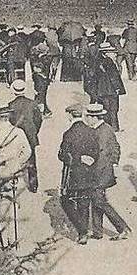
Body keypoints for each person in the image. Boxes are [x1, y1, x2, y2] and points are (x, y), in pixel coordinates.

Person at [84, 102, 130, 240]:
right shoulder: (106, 129)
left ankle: (123, 228)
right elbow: (116, 147)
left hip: (99, 173)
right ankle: (97, 231)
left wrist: (93, 169)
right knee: (96, 199)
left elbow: (102, 155)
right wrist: (114, 162)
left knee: (99, 201)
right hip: (103, 171)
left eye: (88, 117)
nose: (87, 119)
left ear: (94, 117)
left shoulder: (102, 132)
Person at [57, 104, 97, 244]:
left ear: (70, 115)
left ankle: (82, 230)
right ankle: (84, 232)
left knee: (65, 201)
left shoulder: (68, 133)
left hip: (73, 173)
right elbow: (96, 153)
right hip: (88, 172)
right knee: (84, 201)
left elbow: (63, 155)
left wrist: (75, 158)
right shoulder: (91, 131)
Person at [7, 79, 42, 193]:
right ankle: (33, 185)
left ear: (14, 91)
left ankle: (15, 184)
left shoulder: (11, 105)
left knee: (16, 158)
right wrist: (34, 131)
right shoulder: (32, 104)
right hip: (30, 135)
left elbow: (11, 122)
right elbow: (38, 119)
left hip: (17, 137)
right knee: (32, 159)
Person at [93, 42, 126, 131]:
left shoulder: (97, 60)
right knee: (113, 109)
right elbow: (113, 77)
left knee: (106, 109)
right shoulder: (109, 62)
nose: (114, 54)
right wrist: (118, 88)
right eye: (112, 52)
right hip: (111, 90)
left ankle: (108, 127)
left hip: (102, 90)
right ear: (106, 53)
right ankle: (114, 128)